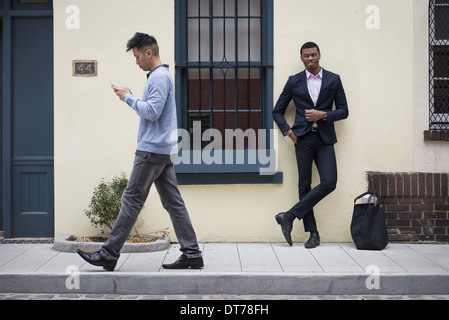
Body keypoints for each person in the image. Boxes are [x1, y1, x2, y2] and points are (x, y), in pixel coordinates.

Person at [77, 33, 203, 271]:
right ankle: (192, 253)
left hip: (151, 151)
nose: (136, 62)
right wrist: (133, 96)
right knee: (174, 203)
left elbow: (152, 112)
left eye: (137, 56)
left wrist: (128, 97)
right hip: (162, 151)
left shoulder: (157, 77)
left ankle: (109, 253)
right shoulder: (161, 76)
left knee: (131, 201)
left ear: (149, 53)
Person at [272, 42, 349, 249]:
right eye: (306, 56)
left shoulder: (334, 79)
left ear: (319, 55)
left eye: (313, 55)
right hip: (303, 139)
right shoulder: (294, 81)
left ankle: (288, 216)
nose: (310, 59)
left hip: (324, 140)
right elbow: (277, 111)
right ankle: (313, 234)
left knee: (329, 182)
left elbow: (343, 111)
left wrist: (323, 114)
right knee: (304, 186)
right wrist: (289, 133)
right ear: (301, 58)